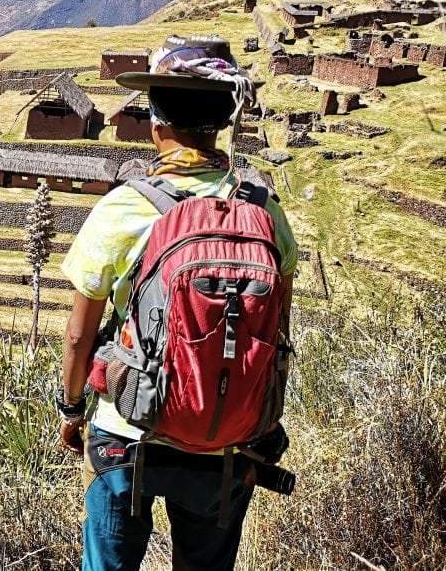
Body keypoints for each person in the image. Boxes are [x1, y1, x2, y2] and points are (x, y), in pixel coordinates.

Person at [57, 35, 298, 571]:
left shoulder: (126, 209)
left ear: (156, 123)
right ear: (221, 123)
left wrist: (72, 410)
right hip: (226, 438)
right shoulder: (263, 210)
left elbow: (79, 334)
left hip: (129, 428)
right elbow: (275, 322)